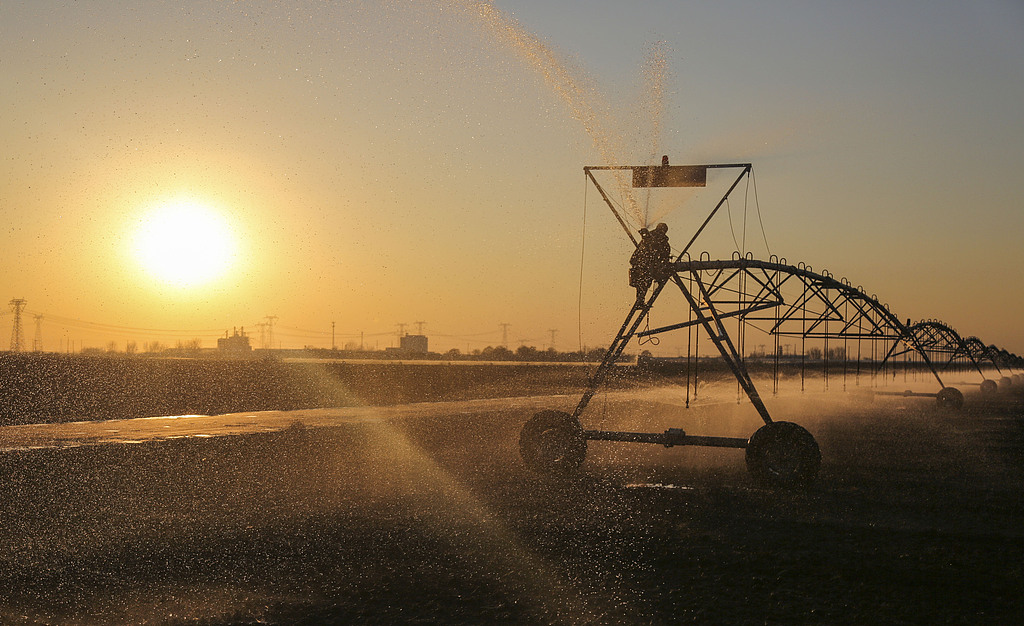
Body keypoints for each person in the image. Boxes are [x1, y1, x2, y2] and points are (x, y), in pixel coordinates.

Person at [629, 222, 671, 304]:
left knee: (642, 283)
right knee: (643, 282)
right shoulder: (656, 240)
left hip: (642, 263)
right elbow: (663, 255)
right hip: (644, 264)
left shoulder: (653, 239)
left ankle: (640, 300)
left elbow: (663, 255)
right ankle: (640, 300)